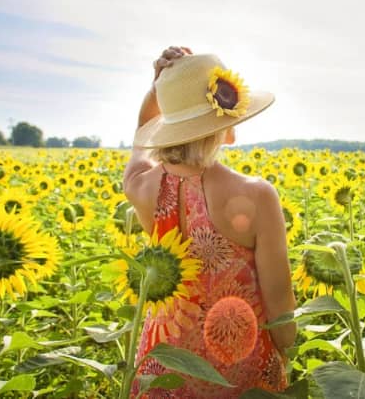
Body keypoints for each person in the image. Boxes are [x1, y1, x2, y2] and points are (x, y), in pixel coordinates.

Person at [123, 46, 297, 398]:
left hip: (163, 367)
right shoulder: (257, 195)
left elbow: (139, 145)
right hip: (240, 367)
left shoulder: (142, 187)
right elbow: (280, 301)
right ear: (226, 126)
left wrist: (157, 90)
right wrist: (288, 360)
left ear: (167, 126)